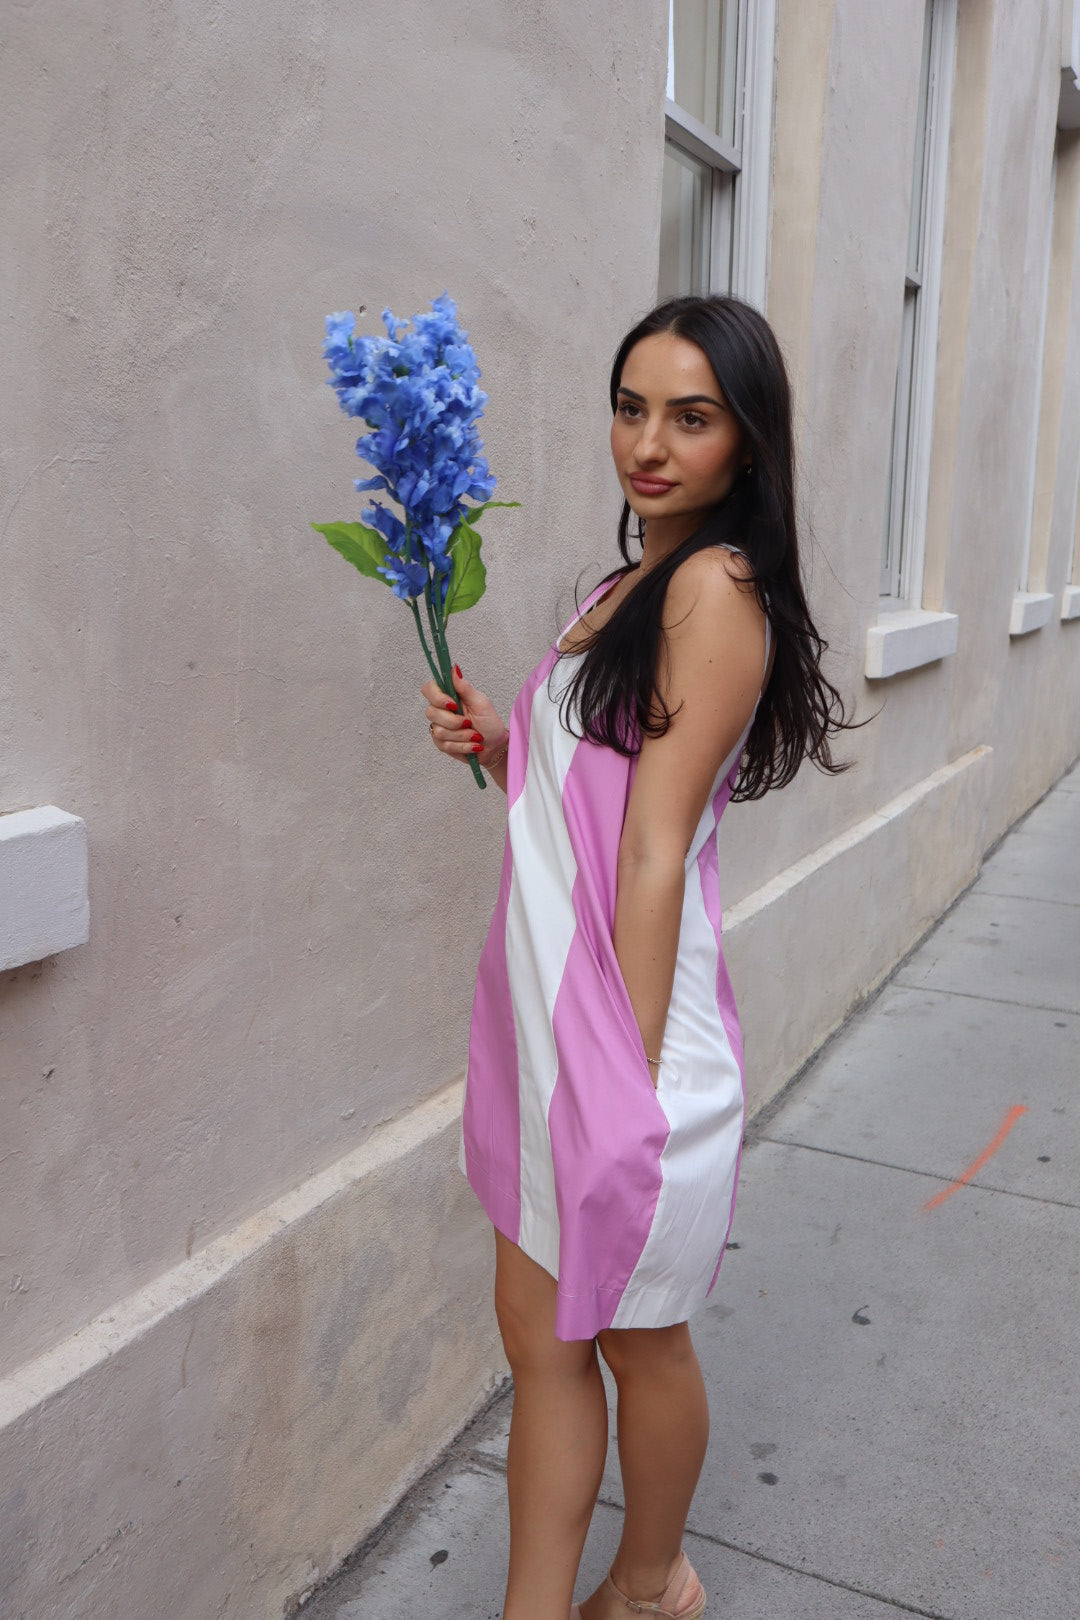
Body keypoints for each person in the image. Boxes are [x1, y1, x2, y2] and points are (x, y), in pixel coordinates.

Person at [422, 294, 852, 1620]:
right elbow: (604, 790)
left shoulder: (715, 591)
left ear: (746, 441)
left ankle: (653, 1580)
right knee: (541, 1342)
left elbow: (656, 850)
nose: (648, 444)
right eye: (630, 408)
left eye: (690, 417)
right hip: (553, 1029)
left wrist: (620, 1075)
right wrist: (510, 741)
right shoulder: (625, 589)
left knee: (633, 1340)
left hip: (628, 1038)